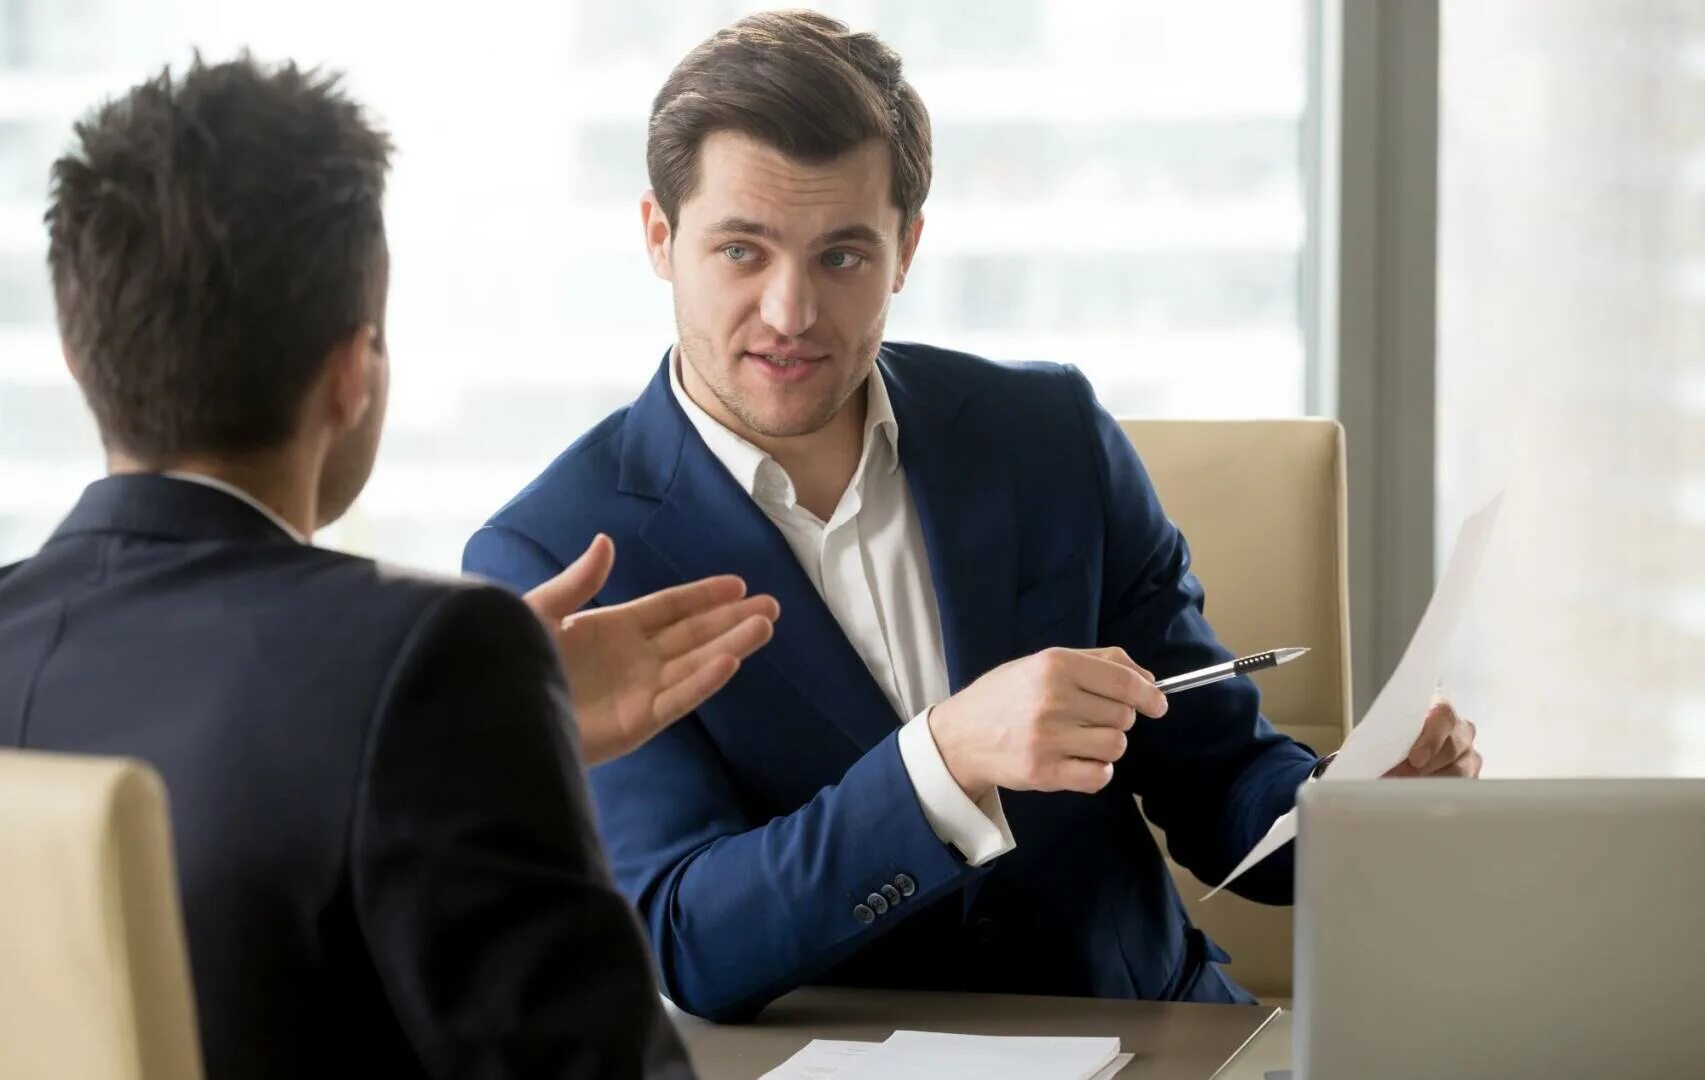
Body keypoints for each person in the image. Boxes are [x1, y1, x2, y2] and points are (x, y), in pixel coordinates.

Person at [464, 11, 1481, 1023]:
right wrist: (940, 762)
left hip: (1156, 1039)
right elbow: (692, 939)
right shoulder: (554, 554)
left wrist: (1349, 808)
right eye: (741, 251)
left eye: (842, 257)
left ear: (905, 249)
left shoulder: (1048, 435)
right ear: (659, 238)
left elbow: (1218, 781)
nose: (790, 312)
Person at [0, 55, 780, 1078]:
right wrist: (466, 713)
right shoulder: (431, 661)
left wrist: (508, 735)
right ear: (351, 376)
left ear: (79, 354)